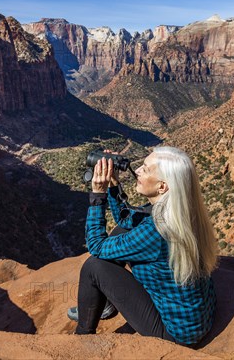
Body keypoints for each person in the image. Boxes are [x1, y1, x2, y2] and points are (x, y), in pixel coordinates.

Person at [68, 146, 217, 346]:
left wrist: (98, 195)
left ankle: (82, 337)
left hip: (174, 333)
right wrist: (113, 185)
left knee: (93, 267)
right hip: (198, 318)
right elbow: (127, 220)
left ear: (162, 186)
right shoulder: (178, 209)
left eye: (145, 169)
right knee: (122, 232)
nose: (137, 170)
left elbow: (95, 246)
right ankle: (102, 304)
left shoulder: (158, 230)